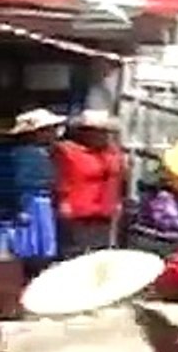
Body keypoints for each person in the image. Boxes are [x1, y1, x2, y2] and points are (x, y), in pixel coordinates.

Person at [53, 111, 127, 259]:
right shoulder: (68, 151)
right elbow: (61, 177)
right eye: (98, 132)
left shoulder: (112, 153)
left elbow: (118, 177)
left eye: (105, 132)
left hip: (105, 209)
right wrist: (63, 201)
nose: (103, 136)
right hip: (78, 209)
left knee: (101, 251)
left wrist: (118, 201)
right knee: (77, 251)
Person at [4, 109, 65, 278]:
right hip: (30, 202)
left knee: (38, 247)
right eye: (48, 130)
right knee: (32, 246)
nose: (53, 133)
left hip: (40, 201)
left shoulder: (41, 153)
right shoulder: (25, 155)